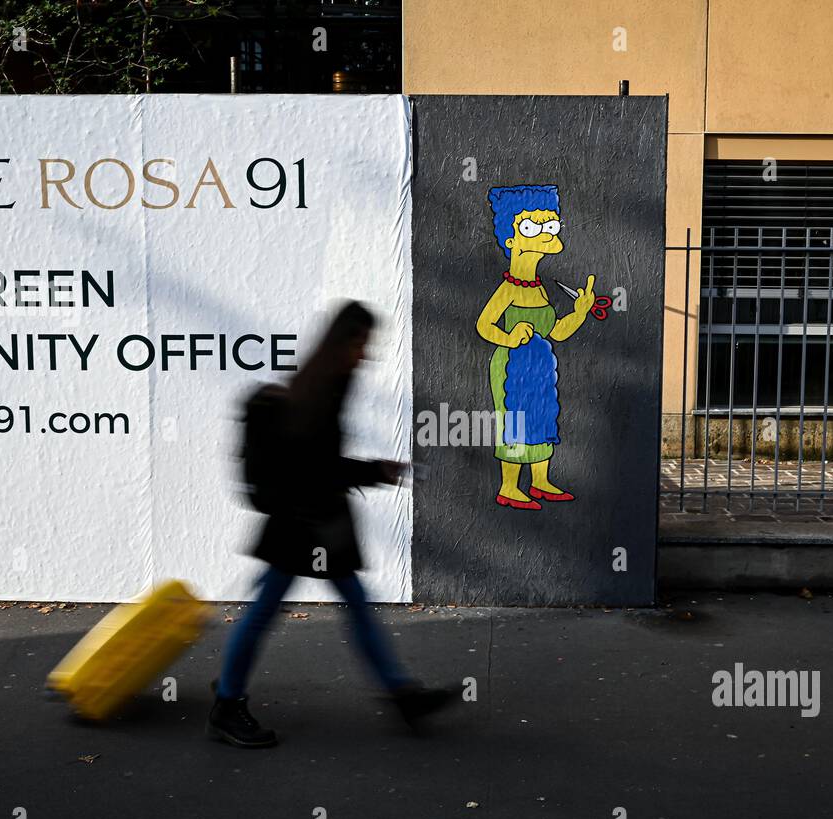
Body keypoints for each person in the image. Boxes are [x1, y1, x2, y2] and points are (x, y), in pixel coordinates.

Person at [209, 301, 453, 748]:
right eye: (362, 344)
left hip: (316, 522)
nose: (367, 354)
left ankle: (401, 693)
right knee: (268, 612)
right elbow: (316, 468)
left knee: (346, 607)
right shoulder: (319, 392)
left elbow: (319, 466)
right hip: (303, 524)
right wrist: (374, 472)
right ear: (343, 342)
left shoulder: (327, 384)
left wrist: (372, 471)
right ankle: (226, 703)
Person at [477, 184, 597, 510]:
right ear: (512, 240)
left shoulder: (540, 288)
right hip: (512, 366)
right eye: (533, 226)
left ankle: (540, 481)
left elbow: (556, 331)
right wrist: (509, 335)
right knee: (516, 421)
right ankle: (509, 487)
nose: (546, 232)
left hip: (541, 364)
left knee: (542, 417)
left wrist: (580, 312)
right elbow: (484, 325)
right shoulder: (509, 288)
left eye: (550, 224)